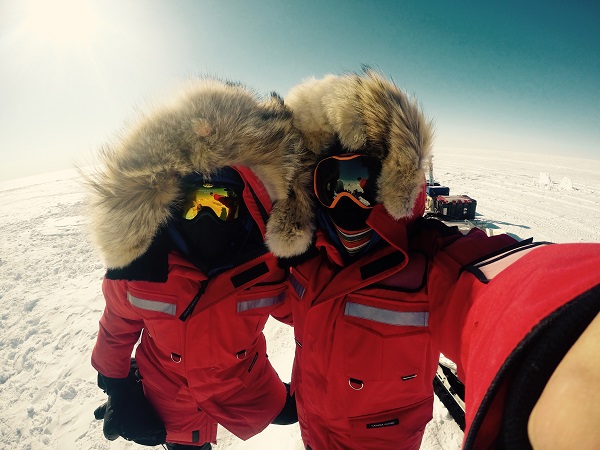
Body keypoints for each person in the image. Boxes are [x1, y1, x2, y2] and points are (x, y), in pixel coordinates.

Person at [267, 69, 600, 449]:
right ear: (310, 191)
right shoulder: (305, 260)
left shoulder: (429, 265)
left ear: (393, 183)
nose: (347, 202)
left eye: (362, 184)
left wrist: (566, 333)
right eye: (333, 185)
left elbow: (503, 287)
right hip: (312, 436)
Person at [83, 77, 312, 448]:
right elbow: (116, 327)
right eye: (195, 203)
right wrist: (117, 386)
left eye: (221, 202)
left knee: (298, 410)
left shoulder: (268, 265)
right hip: (168, 395)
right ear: (172, 208)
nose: (206, 215)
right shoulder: (142, 269)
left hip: (244, 385)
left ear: (245, 208)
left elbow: (312, 313)